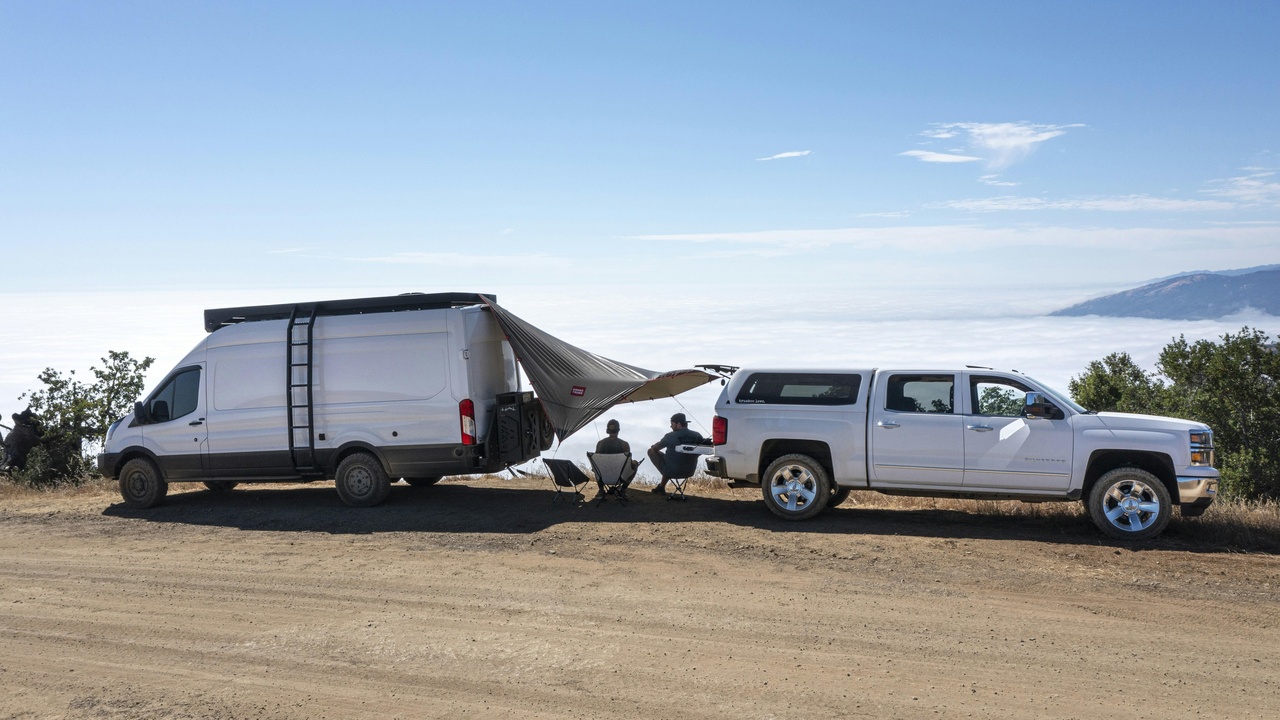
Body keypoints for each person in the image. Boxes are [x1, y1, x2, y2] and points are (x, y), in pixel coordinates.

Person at [648, 413, 703, 495]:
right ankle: (661, 487)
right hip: (689, 471)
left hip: (671, 470)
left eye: (672, 424)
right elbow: (701, 451)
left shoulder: (670, 436)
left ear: (678, 424)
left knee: (651, 451)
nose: (671, 427)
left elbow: (655, 449)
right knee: (670, 461)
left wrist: (654, 446)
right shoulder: (697, 435)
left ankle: (661, 487)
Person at [593, 419, 632, 497]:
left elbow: (595, 463)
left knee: (595, 465)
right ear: (619, 430)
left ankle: (601, 490)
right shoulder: (624, 444)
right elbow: (629, 464)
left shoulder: (600, 444)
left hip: (603, 476)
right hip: (620, 477)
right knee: (635, 464)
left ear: (607, 431)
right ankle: (622, 490)